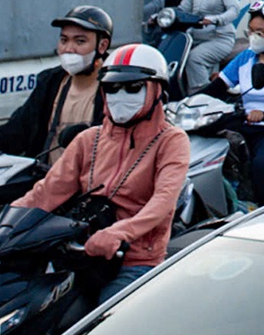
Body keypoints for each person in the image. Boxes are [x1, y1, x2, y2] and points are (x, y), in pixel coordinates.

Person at [11, 44, 190, 304]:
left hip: (134, 261)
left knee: (102, 330)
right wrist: (4, 223)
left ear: (156, 91)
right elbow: (47, 192)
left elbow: (162, 203)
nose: (121, 96)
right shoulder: (89, 139)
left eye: (133, 88)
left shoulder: (171, 141)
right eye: (112, 88)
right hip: (80, 253)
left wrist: (119, 233)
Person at [191, 2, 264, 206]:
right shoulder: (245, 58)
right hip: (246, 124)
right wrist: (185, 103)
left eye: (260, 32)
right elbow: (216, 88)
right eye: (251, 31)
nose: (254, 36)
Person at [0, 5, 112, 169]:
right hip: (46, 182)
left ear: (102, 46)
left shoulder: (114, 89)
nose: (69, 49)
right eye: (64, 40)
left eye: (80, 41)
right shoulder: (51, 82)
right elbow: (19, 128)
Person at [173, 0, 241, 92]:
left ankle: (202, 94)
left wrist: (215, 19)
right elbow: (184, 8)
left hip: (219, 37)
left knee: (195, 58)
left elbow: (234, 10)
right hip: (195, 36)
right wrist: (166, 15)